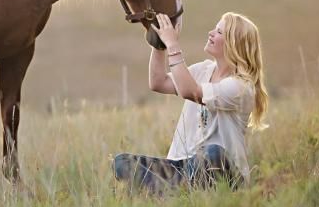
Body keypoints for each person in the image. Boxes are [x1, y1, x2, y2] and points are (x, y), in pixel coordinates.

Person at [113, 11, 269, 192]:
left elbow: (191, 92)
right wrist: (159, 46)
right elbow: (158, 82)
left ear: (235, 44)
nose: (211, 33)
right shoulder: (203, 70)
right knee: (121, 163)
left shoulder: (241, 87)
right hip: (179, 167)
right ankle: (175, 189)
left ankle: (166, 190)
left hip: (220, 170)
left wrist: (172, 45)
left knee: (211, 154)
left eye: (219, 32)